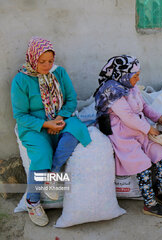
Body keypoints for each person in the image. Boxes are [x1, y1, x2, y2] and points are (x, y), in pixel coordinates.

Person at [11, 37, 91, 226]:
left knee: (76, 131)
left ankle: (51, 176)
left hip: (60, 117)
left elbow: (71, 99)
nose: (47, 66)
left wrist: (60, 118)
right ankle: (32, 201)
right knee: (42, 153)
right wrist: (47, 125)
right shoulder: (21, 80)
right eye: (42, 61)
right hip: (34, 125)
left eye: (50, 61)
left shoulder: (59, 73)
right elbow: (21, 115)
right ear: (32, 58)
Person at [93, 55, 162, 218]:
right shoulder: (113, 91)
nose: (138, 79)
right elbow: (127, 117)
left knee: (161, 155)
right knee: (143, 164)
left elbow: (143, 106)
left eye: (138, 74)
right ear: (123, 74)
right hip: (123, 134)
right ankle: (149, 204)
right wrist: (149, 129)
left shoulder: (130, 86)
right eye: (135, 76)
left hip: (139, 130)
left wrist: (158, 118)